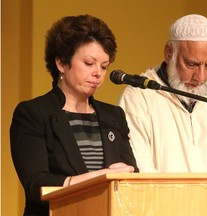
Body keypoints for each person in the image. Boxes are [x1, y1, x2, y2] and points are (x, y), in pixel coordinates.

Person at [10, 14, 138, 216]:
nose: (98, 73)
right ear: (61, 63)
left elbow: (131, 174)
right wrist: (99, 178)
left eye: (104, 66)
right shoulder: (33, 114)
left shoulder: (113, 116)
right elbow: (36, 184)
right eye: (89, 63)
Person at [118, 14, 207, 173]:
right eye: (191, 64)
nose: (201, 77)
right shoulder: (139, 97)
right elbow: (141, 171)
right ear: (169, 53)